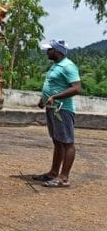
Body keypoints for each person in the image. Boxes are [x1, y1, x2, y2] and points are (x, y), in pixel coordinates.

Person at [32, 39, 81, 188]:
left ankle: (63, 178)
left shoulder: (68, 66)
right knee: (57, 141)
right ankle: (53, 173)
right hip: (52, 108)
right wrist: (44, 99)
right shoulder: (55, 66)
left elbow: (77, 88)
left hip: (63, 109)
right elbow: (52, 85)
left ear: (57, 51)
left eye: (49, 49)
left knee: (67, 143)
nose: (47, 52)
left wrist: (55, 97)